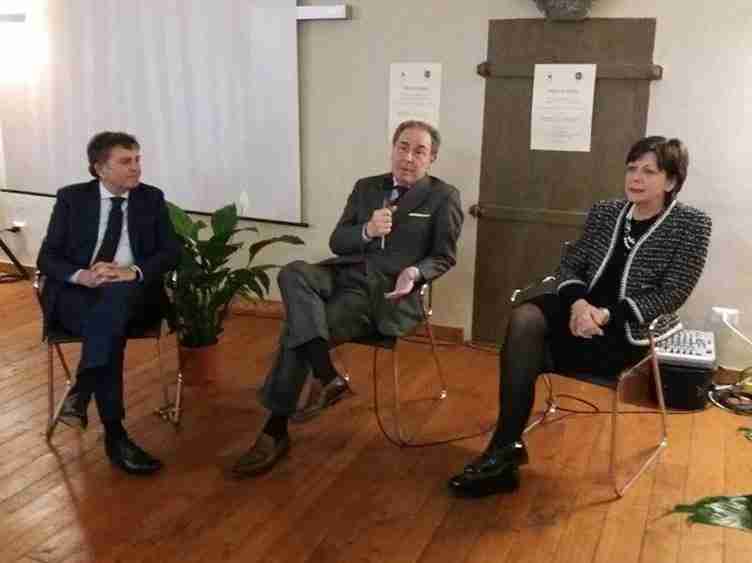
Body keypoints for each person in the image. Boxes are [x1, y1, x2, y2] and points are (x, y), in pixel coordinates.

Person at [448, 136, 712, 497]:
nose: (636, 178)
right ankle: (504, 448)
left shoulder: (692, 225)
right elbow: (571, 265)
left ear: (671, 181)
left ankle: (503, 452)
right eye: (631, 168)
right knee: (525, 319)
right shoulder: (605, 212)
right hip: (582, 308)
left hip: (627, 329)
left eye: (649, 171)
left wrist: (604, 315)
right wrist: (578, 305)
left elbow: (672, 294)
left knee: (527, 352)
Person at [232, 120, 464, 478]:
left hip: (382, 292)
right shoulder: (366, 187)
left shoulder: (442, 196)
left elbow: (443, 256)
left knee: (300, 330)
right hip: (341, 273)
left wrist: (415, 273)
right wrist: (367, 230)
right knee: (293, 272)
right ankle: (326, 376)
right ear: (393, 149)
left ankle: (276, 429)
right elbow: (338, 241)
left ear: (431, 158)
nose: (408, 157)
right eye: (403, 147)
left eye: (419, 151)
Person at [37, 131, 180, 475]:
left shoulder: (150, 198)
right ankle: (114, 437)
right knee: (108, 333)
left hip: (134, 298)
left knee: (114, 304)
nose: (136, 168)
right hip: (78, 298)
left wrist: (133, 272)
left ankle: (85, 394)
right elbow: (47, 257)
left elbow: (172, 252)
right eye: (126, 161)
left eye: (137, 159)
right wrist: (82, 276)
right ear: (100, 168)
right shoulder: (72, 199)